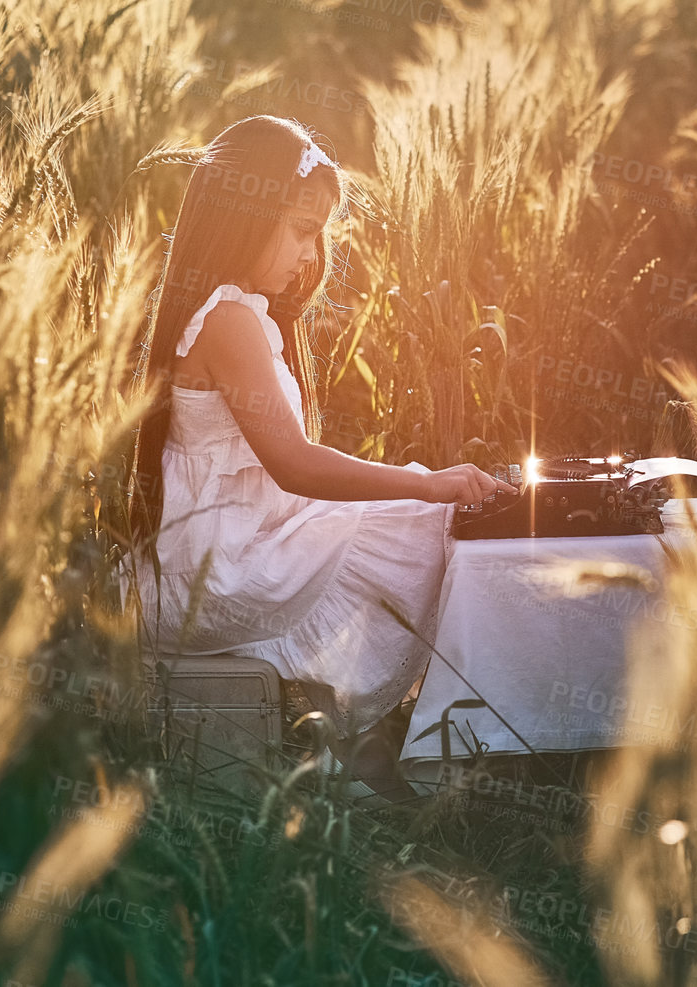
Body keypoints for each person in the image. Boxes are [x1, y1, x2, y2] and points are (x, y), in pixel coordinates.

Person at [122, 114, 512, 797]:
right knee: (418, 517)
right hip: (216, 568)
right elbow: (295, 465)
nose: (311, 255)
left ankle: (345, 732)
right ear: (248, 215)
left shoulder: (238, 314)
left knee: (406, 507)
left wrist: (417, 486)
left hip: (233, 548)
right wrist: (427, 486)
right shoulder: (228, 320)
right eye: (302, 230)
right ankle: (392, 740)